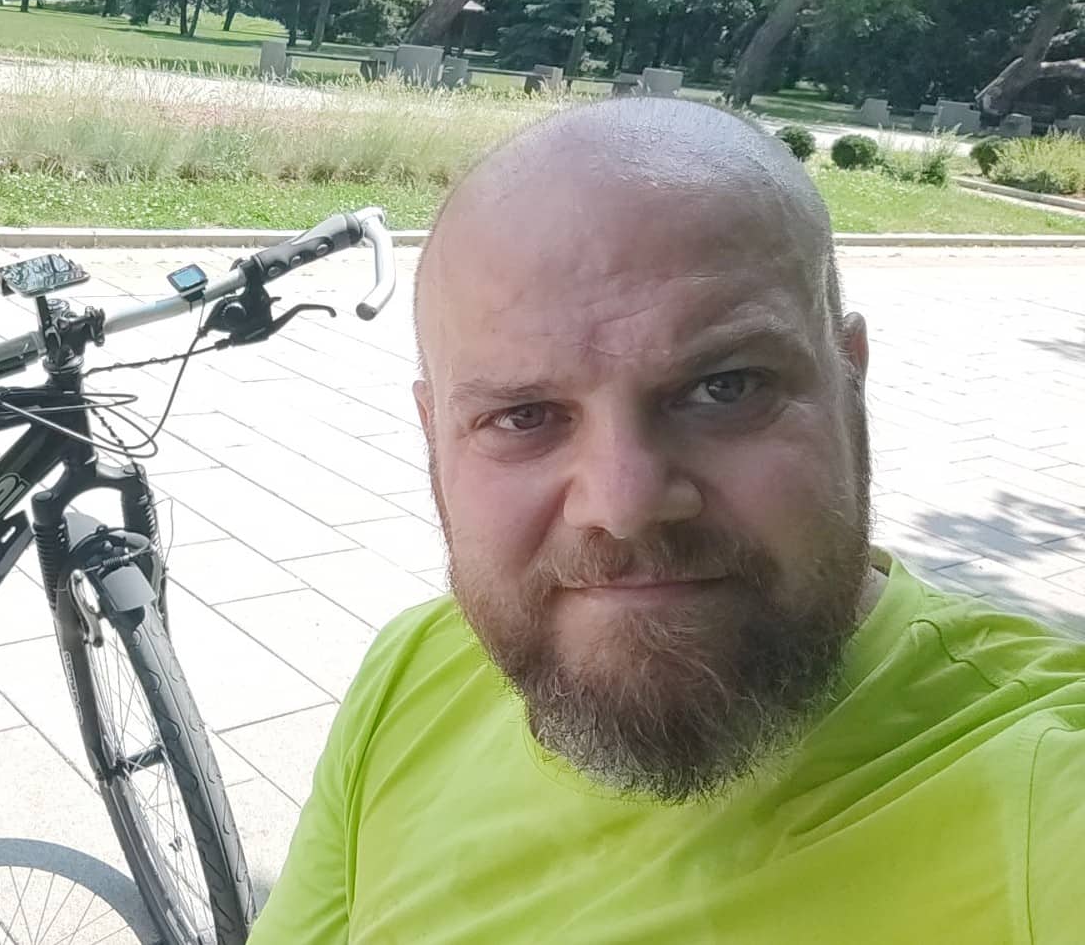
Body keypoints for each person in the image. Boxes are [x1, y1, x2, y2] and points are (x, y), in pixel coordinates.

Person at [247, 97, 1085, 943]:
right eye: (523, 416)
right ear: (435, 440)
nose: (624, 505)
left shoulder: (1040, 784)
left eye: (726, 388)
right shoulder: (411, 672)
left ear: (849, 385)